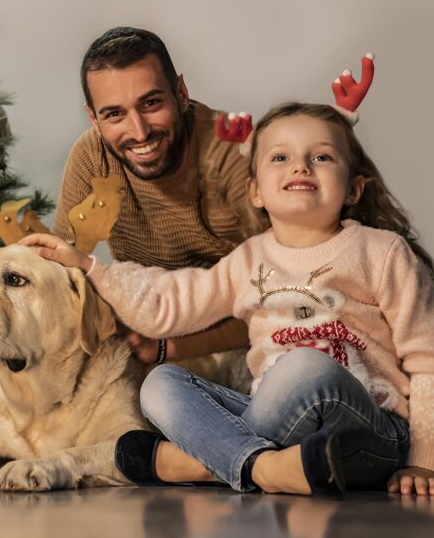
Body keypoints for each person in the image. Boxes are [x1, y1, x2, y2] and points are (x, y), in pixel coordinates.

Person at [24, 84, 434, 495]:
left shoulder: (381, 252)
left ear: (353, 188)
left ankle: (205, 460)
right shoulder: (249, 259)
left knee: (305, 366)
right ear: (255, 190)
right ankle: (262, 467)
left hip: (371, 435)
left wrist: (423, 462)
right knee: (160, 385)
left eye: (322, 156)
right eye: (280, 157)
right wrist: (88, 265)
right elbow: (166, 306)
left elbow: (427, 358)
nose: (300, 167)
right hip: (287, 437)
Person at [54, 26, 265, 368]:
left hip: (247, 338)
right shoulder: (91, 158)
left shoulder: (233, 152)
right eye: (114, 114)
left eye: (151, 103)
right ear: (94, 118)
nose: (139, 132)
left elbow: (287, 287)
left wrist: (168, 349)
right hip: (151, 335)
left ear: (181, 93)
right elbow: (63, 274)